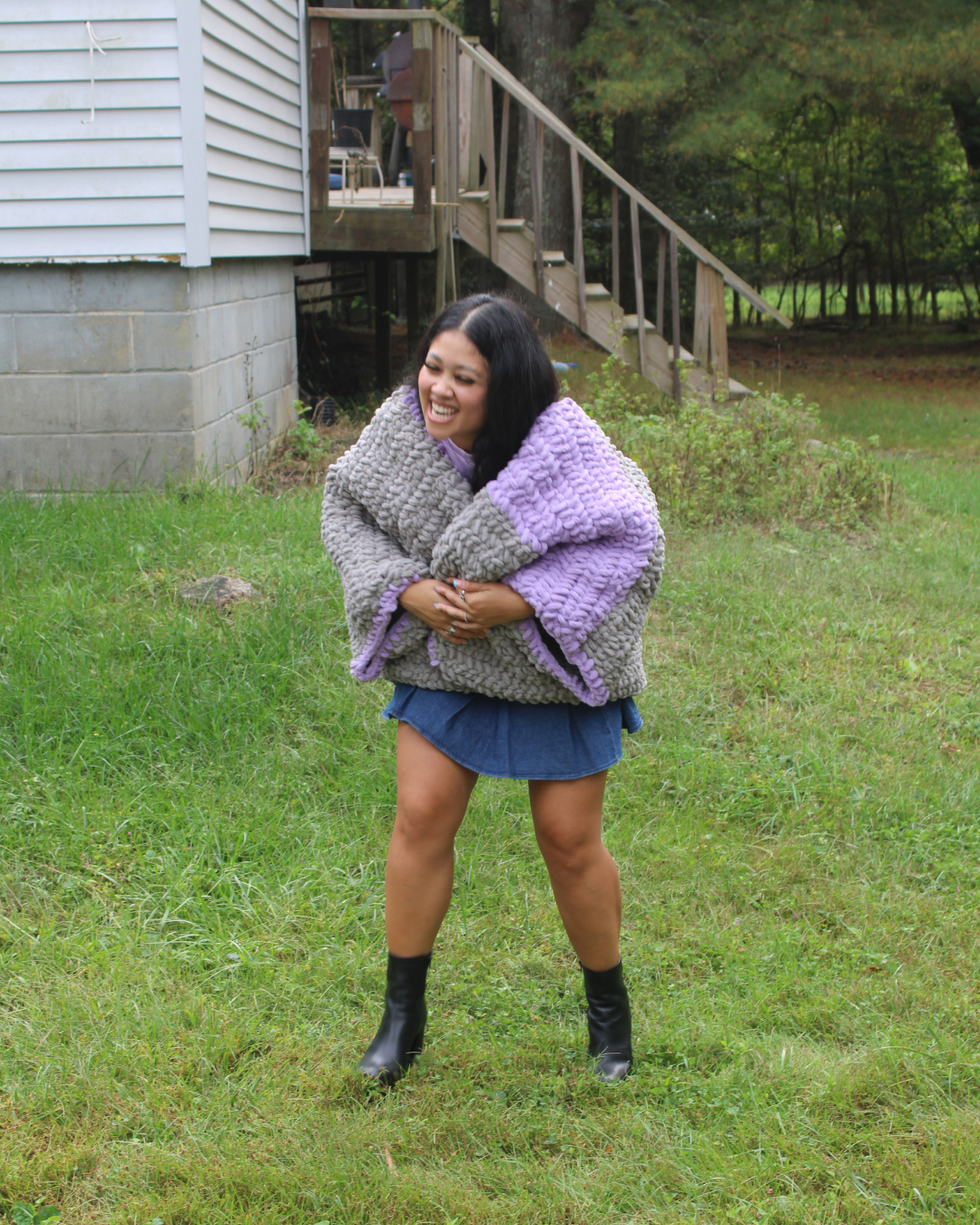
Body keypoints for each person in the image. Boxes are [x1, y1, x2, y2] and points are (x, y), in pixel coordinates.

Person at [320, 293, 664, 1086]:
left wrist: (520, 600)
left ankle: (609, 1017)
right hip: (447, 656)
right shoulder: (401, 431)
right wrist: (404, 587)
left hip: (545, 661)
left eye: (464, 378)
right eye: (432, 367)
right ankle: (400, 1021)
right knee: (419, 815)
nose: (438, 389)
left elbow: (632, 542)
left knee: (569, 839)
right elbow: (346, 509)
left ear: (503, 386)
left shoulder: (562, 446)